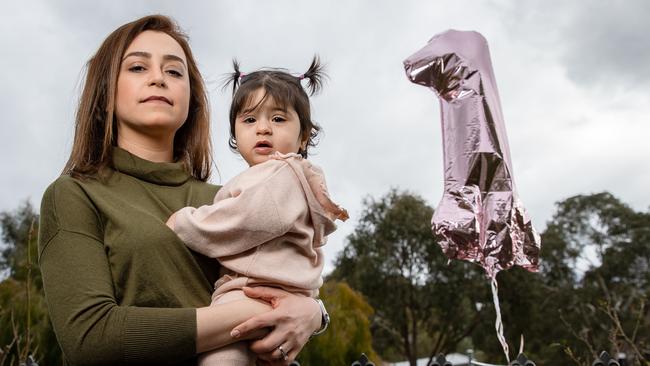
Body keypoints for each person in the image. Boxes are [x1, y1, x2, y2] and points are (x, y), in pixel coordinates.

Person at [38, 15, 327, 366]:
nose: (158, 78)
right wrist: (263, 313)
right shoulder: (75, 194)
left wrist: (313, 311)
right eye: (138, 68)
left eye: (174, 72)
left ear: (192, 97)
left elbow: (289, 265)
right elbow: (91, 338)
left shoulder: (232, 200)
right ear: (105, 92)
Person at [166, 58, 348, 365]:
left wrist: (184, 223)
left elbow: (243, 221)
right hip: (281, 298)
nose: (263, 128)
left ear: (304, 136)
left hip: (252, 293)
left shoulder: (280, 173)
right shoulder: (283, 176)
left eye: (278, 119)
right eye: (249, 120)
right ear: (235, 136)